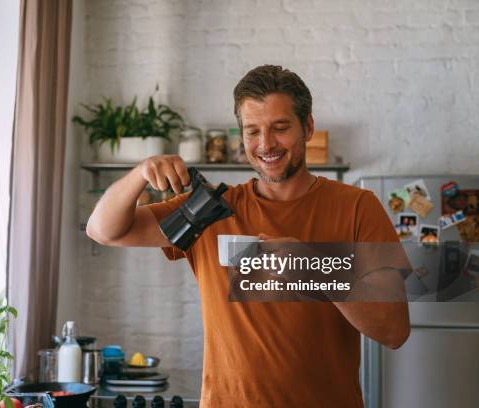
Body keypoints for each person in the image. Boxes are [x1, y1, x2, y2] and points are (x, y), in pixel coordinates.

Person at [86, 65, 410, 407]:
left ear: (308, 127)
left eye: (280, 128)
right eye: (252, 131)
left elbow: (393, 331)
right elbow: (102, 230)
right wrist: (140, 173)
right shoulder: (208, 210)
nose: (266, 144)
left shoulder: (357, 208)